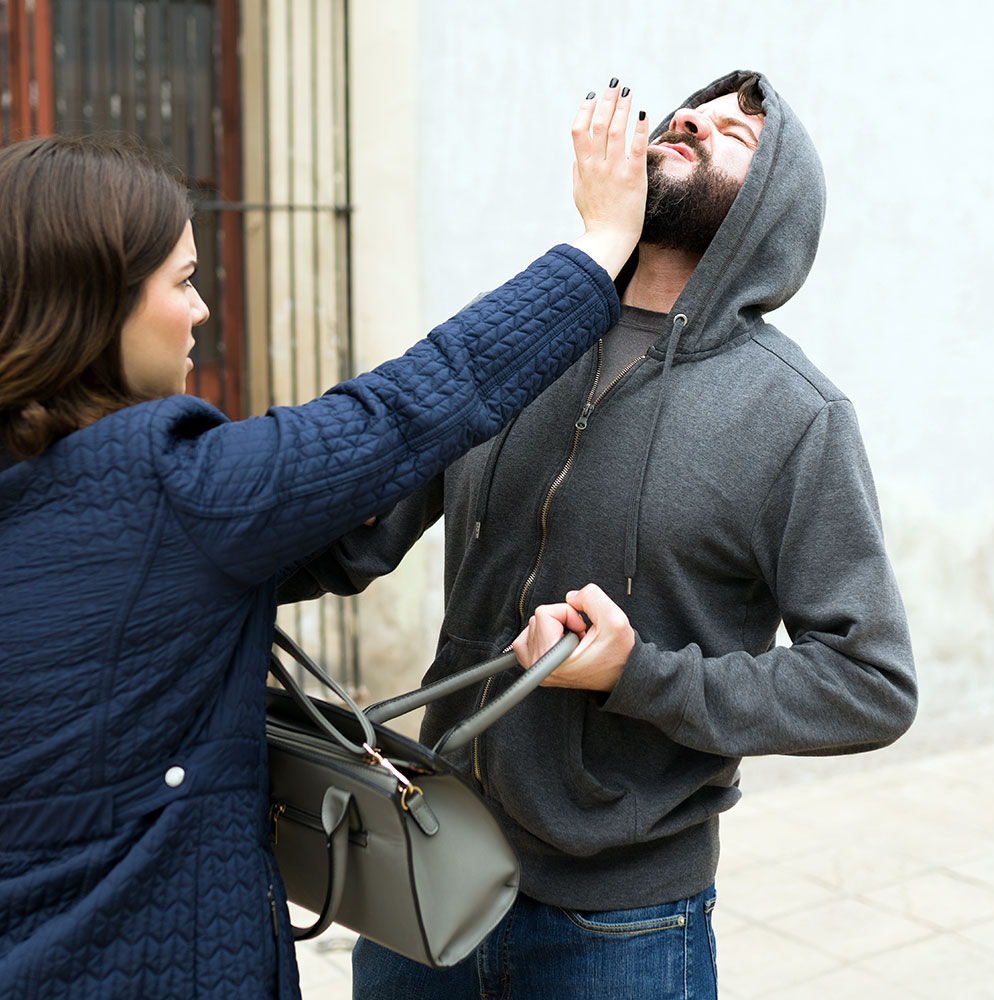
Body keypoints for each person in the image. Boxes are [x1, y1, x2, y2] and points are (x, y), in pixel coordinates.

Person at [0, 84, 650, 1000]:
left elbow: (165, 590)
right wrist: (600, 246)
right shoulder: (171, 491)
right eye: (183, 280)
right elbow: (408, 405)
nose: (200, 310)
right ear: (88, 307)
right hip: (143, 952)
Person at [279, 70, 919, 998]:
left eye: (740, 131)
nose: (693, 116)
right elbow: (358, 536)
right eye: (692, 106)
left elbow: (871, 683)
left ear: (771, 210)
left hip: (623, 925)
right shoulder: (523, 339)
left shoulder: (795, 416)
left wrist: (639, 676)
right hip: (427, 867)